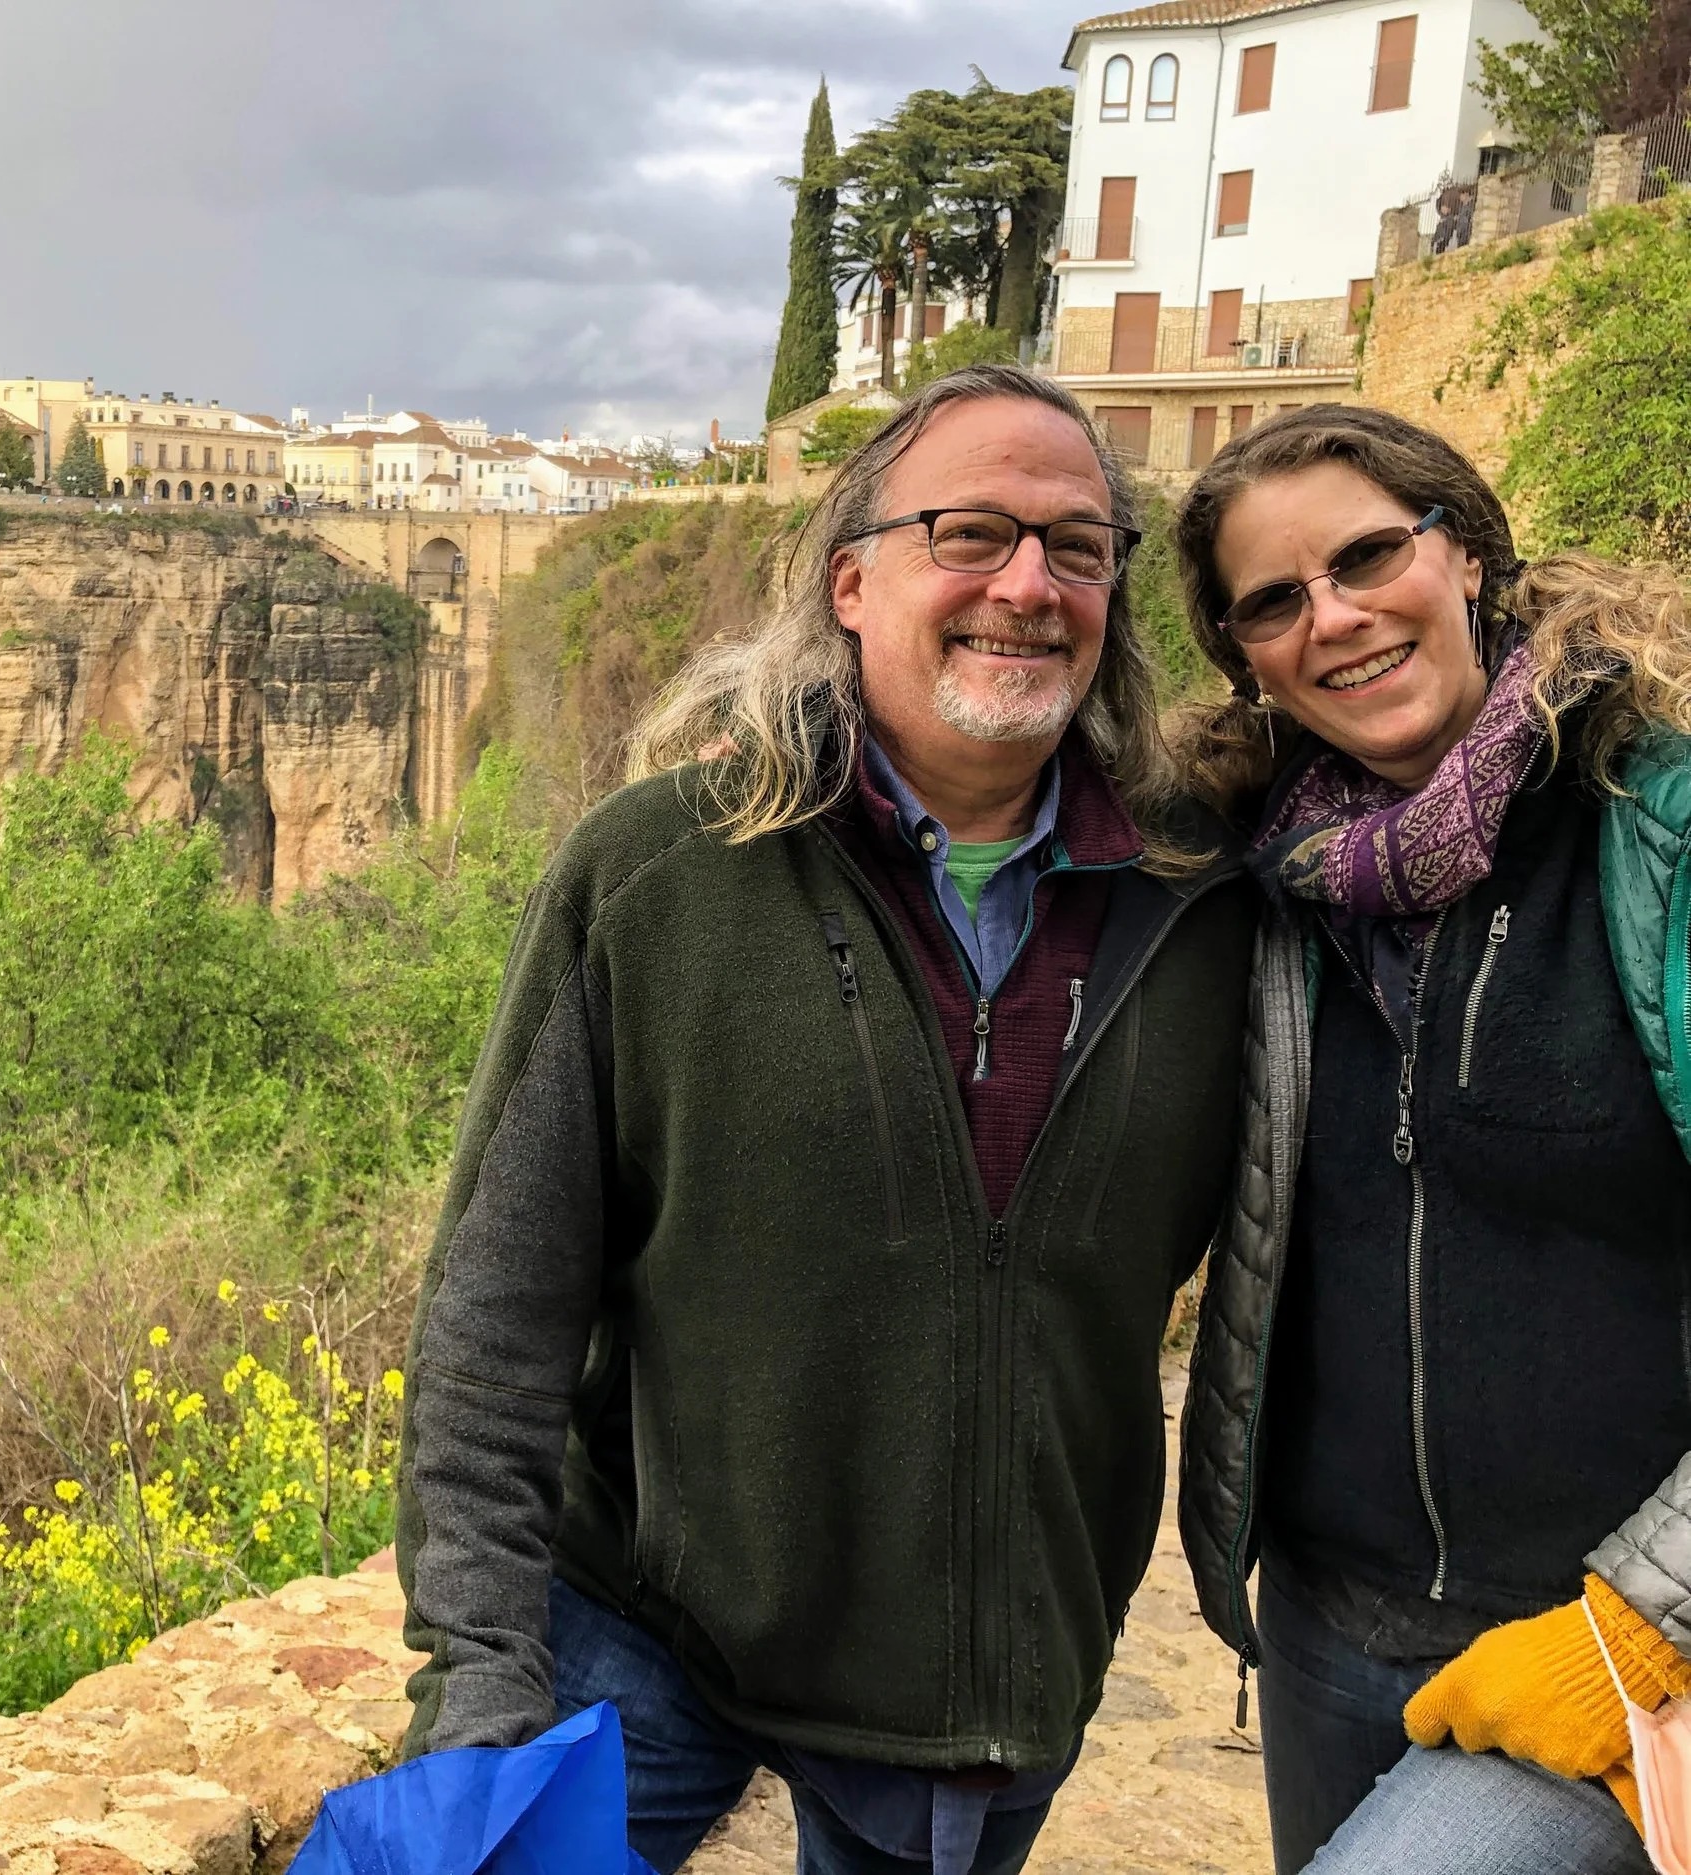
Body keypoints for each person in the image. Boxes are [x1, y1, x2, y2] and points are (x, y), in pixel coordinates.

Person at [393, 365, 1258, 1875]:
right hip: (643, 1626)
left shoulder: (1214, 906)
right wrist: (477, 1678)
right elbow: (497, 1310)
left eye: (1077, 545)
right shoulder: (658, 872)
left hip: (969, 1687)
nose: (1027, 585)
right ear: (853, 583)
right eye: (972, 533)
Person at [1173, 404, 1691, 1874]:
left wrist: (1643, 1629)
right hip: (1332, 1628)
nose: (1333, 618)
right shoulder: (1261, 878)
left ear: (1461, 553)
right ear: (1246, 658)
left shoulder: (1654, 828)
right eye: (1274, 601)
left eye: (1369, 556)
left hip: (1611, 1638)